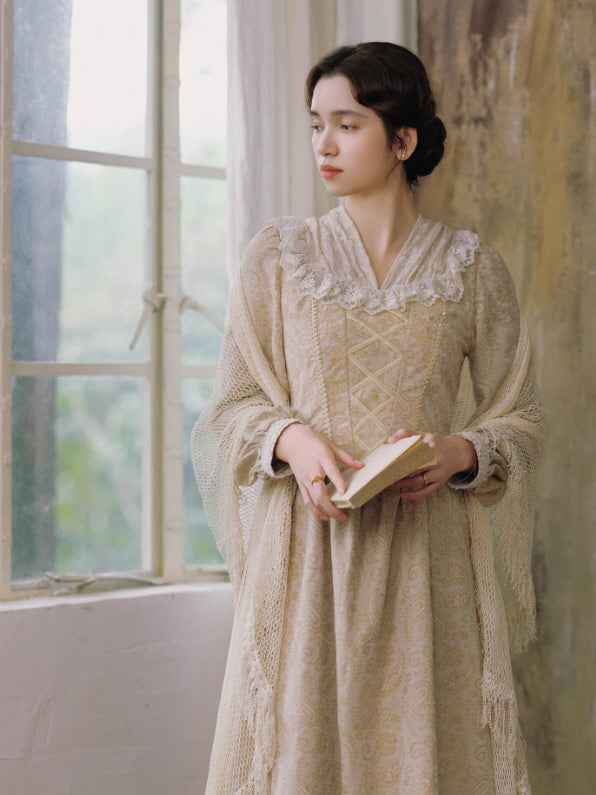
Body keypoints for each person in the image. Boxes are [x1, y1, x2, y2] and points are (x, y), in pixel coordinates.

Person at [191, 41, 543, 795]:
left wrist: (458, 451)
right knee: (301, 758)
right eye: (316, 124)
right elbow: (231, 407)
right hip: (310, 560)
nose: (324, 144)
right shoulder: (279, 257)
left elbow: (520, 418)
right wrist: (292, 439)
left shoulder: (471, 269)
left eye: (347, 125)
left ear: (403, 140)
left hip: (429, 564)